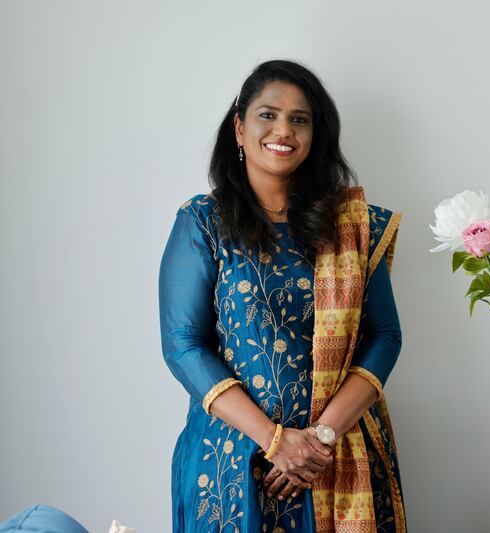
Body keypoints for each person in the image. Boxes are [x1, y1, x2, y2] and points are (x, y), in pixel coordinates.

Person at [158, 60, 406, 533]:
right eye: (267, 115)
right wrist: (275, 442)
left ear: (315, 137)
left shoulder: (349, 227)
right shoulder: (203, 223)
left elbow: (385, 336)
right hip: (231, 464)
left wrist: (320, 439)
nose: (283, 130)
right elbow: (183, 344)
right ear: (239, 127)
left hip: (339, 458)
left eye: (300, 119)